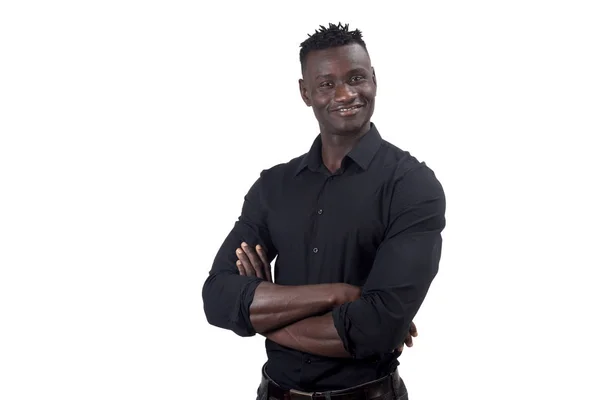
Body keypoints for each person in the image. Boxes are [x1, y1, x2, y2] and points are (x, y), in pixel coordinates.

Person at [202, 22, 446, 400]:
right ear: (305, 92)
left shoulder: (412, 187)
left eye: (356, 77)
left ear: (374, 80)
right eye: (327, 83)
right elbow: (217, 297)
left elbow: (376, 328)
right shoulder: (273, 187)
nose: (346, 93)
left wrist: (261, 312)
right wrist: (339, 294)